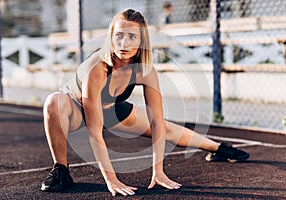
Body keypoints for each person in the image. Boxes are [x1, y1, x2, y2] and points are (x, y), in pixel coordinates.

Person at [40, 8, 249, 196]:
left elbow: (157, 123)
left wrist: (158, 171)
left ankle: (219, 148)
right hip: (76, 107)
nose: (124, 43)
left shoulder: (144, 69)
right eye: (119, 36)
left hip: (110, 108)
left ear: (142, 40)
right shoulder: (99, 68)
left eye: (132, 37)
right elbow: (95, 132)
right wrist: (111, 179)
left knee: (166, 128)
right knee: (53, 102)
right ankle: (61, 170)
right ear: (111, 38)